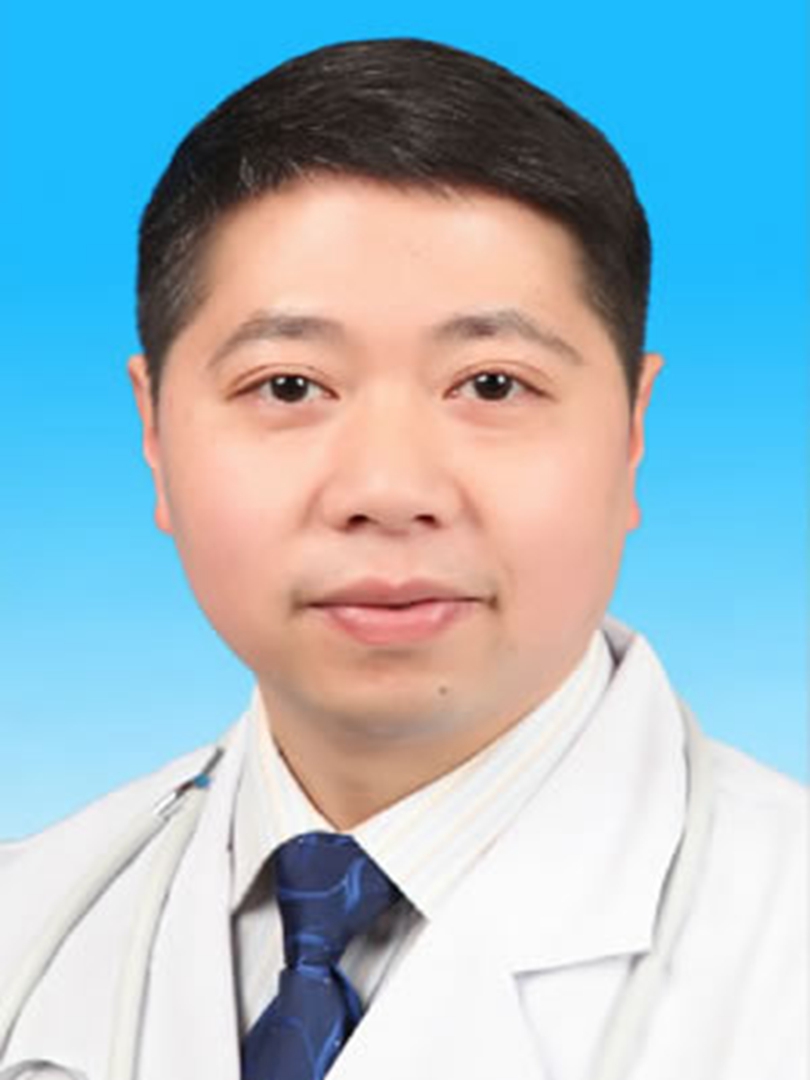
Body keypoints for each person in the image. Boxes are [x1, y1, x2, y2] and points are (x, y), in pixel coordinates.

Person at [0, 37, 805, 1080]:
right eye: (289, 386)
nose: (387, 490)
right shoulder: (31, 922)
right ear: (154, 433)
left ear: (633, 430)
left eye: (493, 385)